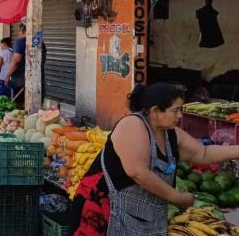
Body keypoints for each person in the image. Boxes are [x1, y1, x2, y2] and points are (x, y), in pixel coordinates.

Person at [70, 83, 239, 235]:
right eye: (176, 110)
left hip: (141, 217)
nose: (180, 116)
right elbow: (138, 172)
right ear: (155, 111)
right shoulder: (133, 125)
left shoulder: (170, 133)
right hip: (103, 210)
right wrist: (178, 198)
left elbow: (203, 153)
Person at [3, 24, 27, 103]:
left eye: (19, 31)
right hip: (37, 84)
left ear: (22, 31)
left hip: (20, 82)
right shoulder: (40, 43)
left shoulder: (21, 42)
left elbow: (16, 61)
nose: (18, 34)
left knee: (18, 108)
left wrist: (7, 75)